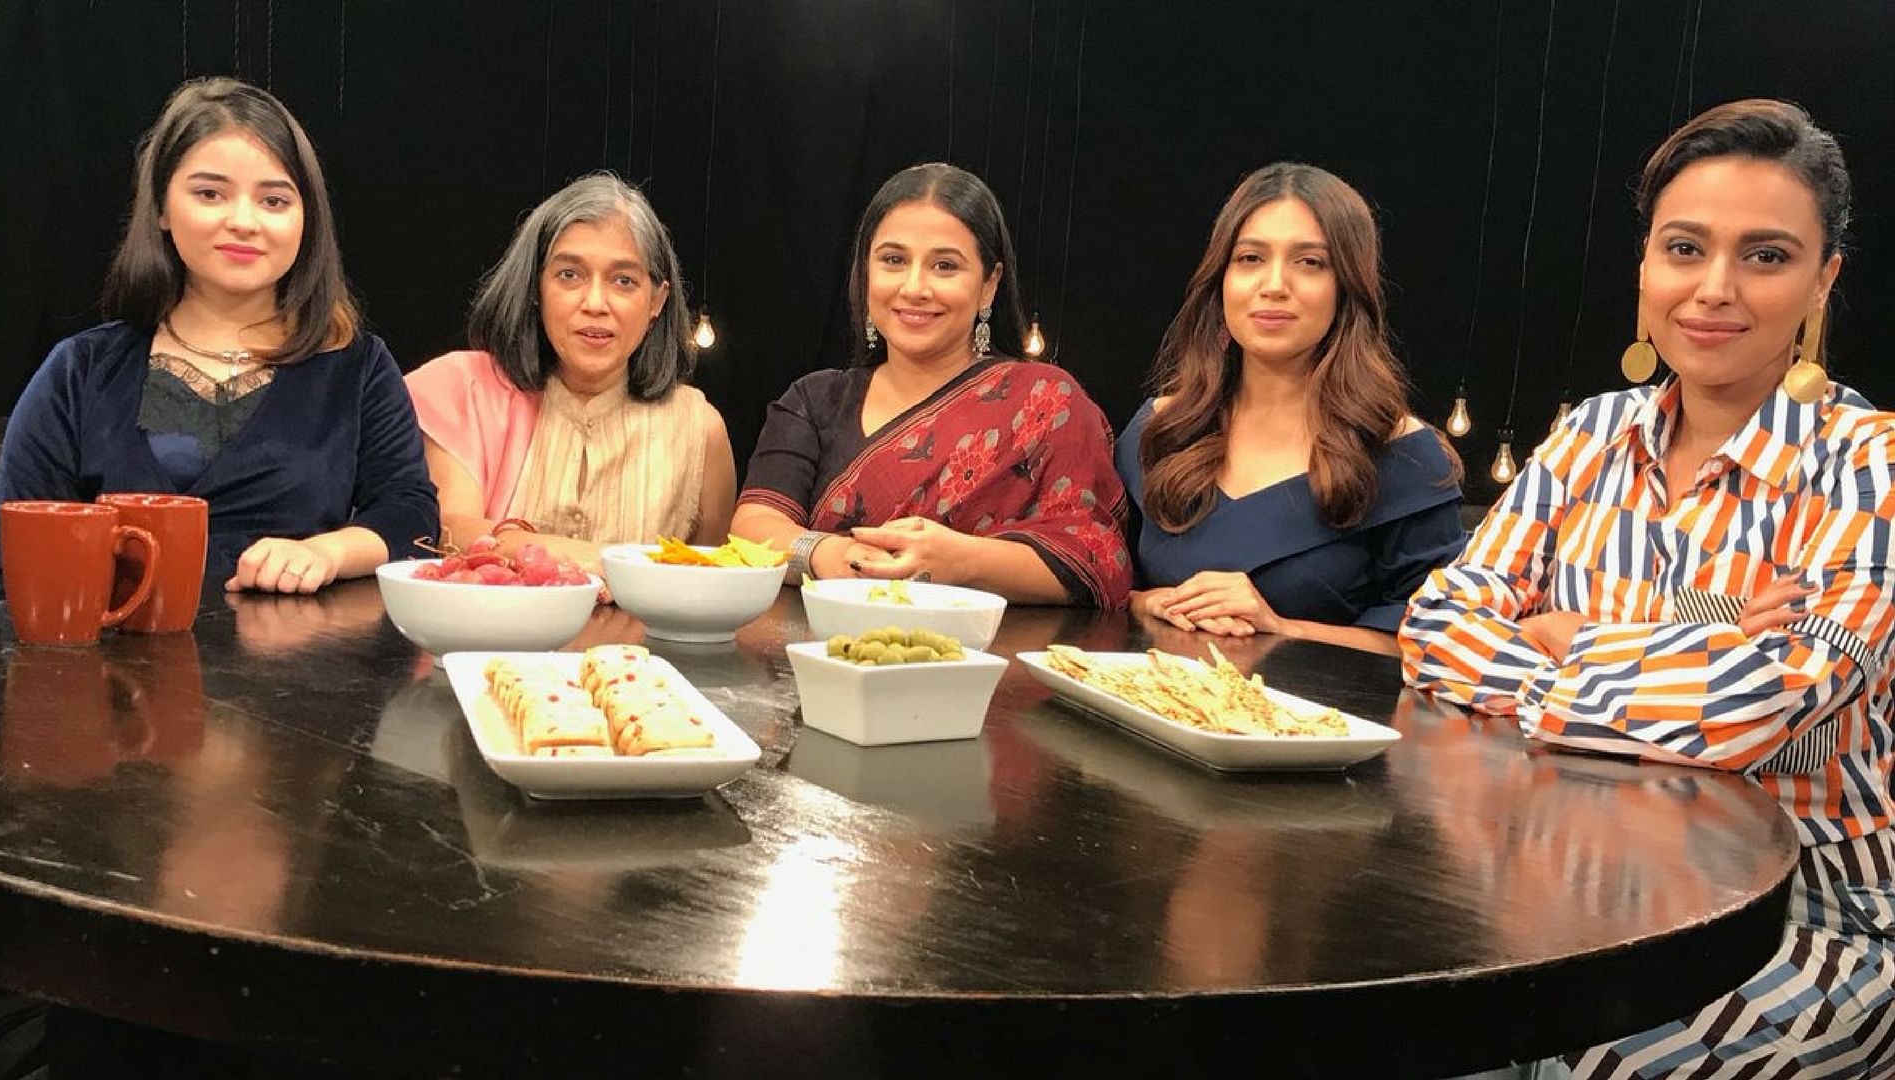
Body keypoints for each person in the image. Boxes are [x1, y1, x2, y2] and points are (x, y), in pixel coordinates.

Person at [1402, 100, 1895, 1078]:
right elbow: (1435, 626)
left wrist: (1567, 643)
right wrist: (1701, 641)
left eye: (1765, 256)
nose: (1715, 289)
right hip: (1559, 878)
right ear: (1645, 267)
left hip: (1802, 909)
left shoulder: (1868, 465)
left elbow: (1754, 712)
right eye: (1684, 249)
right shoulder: (1590, 434)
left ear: (1822, 279)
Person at [0, 78, 436, 600]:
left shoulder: (358, 367)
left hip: (297, 672)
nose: (243, 222)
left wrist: (326, 552)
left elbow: (411, 517)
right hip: (105, 668)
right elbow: (11, 559)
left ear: (306, 220)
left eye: (274, 201)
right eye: (209, 193)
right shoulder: (79, 370)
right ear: (162, 208)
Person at [729, 163, 1130, 607]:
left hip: (992, 665)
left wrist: (964, 561)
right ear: (865, 273)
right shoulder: (814, 399)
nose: (915, 287)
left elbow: (1096, 558)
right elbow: (754, 523)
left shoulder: (1048, 402)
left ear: (988, 286)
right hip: (821, 656)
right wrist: (829, 553)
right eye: (893, 260)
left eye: (945, 265)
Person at [1118, 163, 1464, 655]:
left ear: (1347, 287)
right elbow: (1099, 589)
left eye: (1310, 263)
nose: (1274, 284)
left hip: (1318, 722)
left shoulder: (1403, 455)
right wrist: (1148, 605)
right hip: (1148, 712)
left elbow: (1440, 646)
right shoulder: (1162, 429)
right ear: (1221, 279)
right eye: (1251, 258)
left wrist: (1278, 626)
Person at [406, 173, 734, 569]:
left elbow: (705, 581)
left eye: (624, 281)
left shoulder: (700, 429)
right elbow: (450, 531)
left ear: (656, 302)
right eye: (569, 275)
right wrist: (587, 558)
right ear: (535, 288)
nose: (595, 302)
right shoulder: (464, 389)